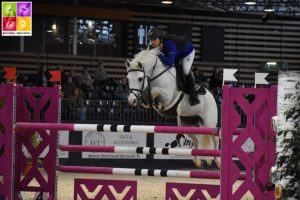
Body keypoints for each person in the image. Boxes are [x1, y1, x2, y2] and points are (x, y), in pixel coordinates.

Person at [148, 27, 200, 106]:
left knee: (185, 70)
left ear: (161, 39)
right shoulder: (154, 45)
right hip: (177, 54)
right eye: (150, 40)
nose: (152, 42)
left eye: (154, 39)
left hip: (187, 52)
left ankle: (193, 95)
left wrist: (159, 55)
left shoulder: (169, 43)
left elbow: (169, 62)